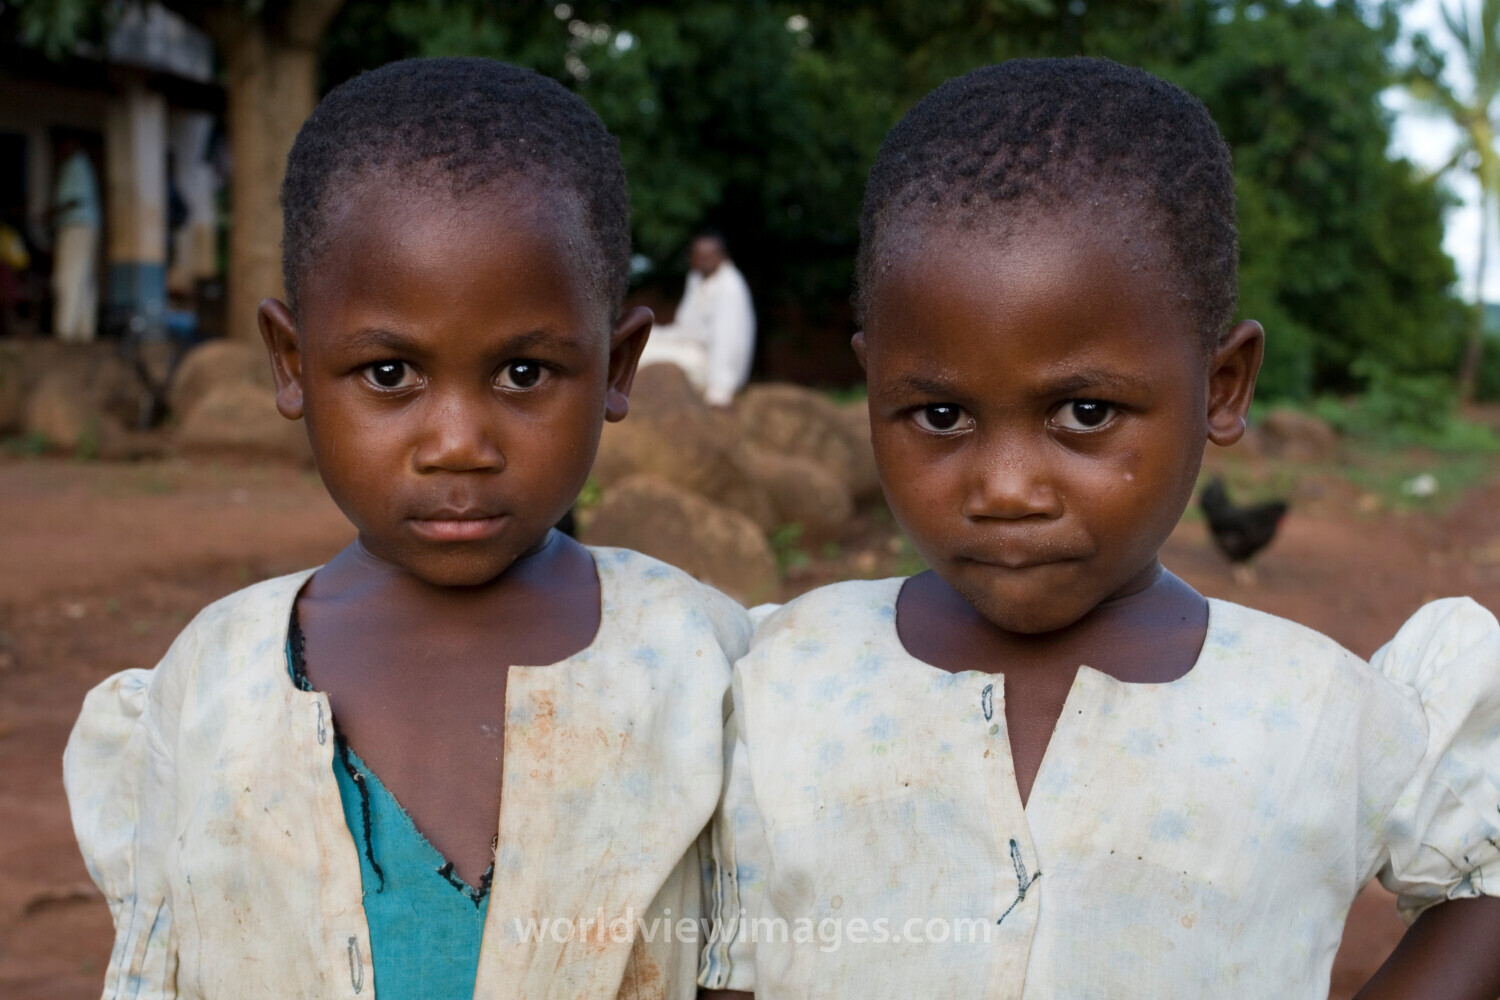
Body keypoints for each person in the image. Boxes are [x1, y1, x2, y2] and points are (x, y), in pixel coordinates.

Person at [698, 59, 1500, 999]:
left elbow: (1482, 881)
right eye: (941, 416)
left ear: (1223, 387)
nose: (1004, 491)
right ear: (874, 388)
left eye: (1084, 412)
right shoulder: (778, 683)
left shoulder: (1319, 710)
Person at [64, 59, 752, 999]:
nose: (458, 445)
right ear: (292, 363)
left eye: (523, 374)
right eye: (391, 375)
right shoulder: (211, 686)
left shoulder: (708, 666)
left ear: (618, 365)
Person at [638, 231, 755, 406]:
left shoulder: (729, 288)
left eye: (707, 256)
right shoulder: (697, 278)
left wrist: (720, 389)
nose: (702, 260)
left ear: (720, 256)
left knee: (641, 355)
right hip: (687, 346)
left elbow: (727, 343)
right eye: (698, 256)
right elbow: (685, 327)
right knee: (637, 342)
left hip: (709, 364)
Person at [50, 139, 100, 342]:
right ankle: (83, 330)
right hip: (84, 226)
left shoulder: (75, 164)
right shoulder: (83, 165)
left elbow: (74, 199)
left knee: (69, 276)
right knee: (82, 278)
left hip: (76, 225)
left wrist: (49, 212)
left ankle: (66, 330)